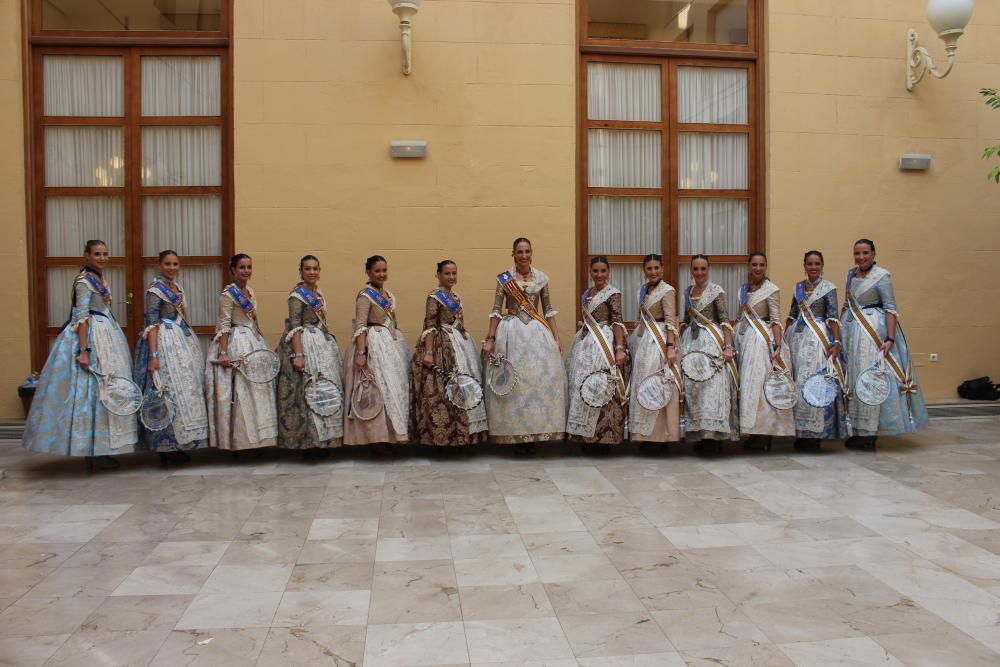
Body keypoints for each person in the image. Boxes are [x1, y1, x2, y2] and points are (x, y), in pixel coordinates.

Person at [24, 240, 137, 469]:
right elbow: (82, 316)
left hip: (107, 336)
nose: (102, 258)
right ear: (86, 256)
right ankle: (91, 451)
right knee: (89, 394)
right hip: (91, 339)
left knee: (105, 392)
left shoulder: (99, 278)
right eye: (97, 254)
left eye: (105, 254)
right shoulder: (84, 281)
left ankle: (103, 448)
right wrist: (84, 351)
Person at [482, 237, 567, 454]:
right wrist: (490, 338)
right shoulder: (504, 279)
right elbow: (495, 309)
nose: (523, 256)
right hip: (511, 333)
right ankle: (515, 437)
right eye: (519, 252)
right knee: (514, 384)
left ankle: (535, 434)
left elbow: (548, 310)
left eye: (527, 251)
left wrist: (556, 338)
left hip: (538, 334)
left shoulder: (542, 278)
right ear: (513, 254)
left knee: (536, 382)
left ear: (532, 253)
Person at [841, 239, 928, 450]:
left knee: (872, 379)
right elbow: (846, 304)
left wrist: (890, 339)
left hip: (874, 334)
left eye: (865, 253)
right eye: (857, 253)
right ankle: (859, 429)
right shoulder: (851, 275)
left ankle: (871, 433)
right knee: (853, 379)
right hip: (852, 333)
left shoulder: (882, 276)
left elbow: (890, 308)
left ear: (873, 253)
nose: (861, 257)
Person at [134, 250, 209, 465]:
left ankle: (180, 444)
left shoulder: (177, 288)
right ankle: (164, 447)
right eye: (167, 263)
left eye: (175, 264)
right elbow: (151, 325)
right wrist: (153, 356)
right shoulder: (154, 291)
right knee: (167, 392)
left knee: (186, 390)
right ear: (159, 265)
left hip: (182, 342)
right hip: (164, 344)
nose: (172, 268)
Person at [409, 260, 488, 447]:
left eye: (454, 273)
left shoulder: (456, 296)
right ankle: (444, 439)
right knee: (443, 392)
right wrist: (428, 353)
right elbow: (429, 326)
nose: (451, 277)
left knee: (465, 386)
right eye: (447, 274)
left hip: (459, 343)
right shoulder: (434, 297)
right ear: (438, 275)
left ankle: (463, 437)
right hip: (441, 346)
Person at [205, 253, 278, 454]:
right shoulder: (229, 294)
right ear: (233, 270)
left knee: (258, 390)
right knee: (241, 392)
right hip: (237, 342)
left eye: (249, 267)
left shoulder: (250, 291)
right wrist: (223, 352)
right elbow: (224, 323)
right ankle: (241, 443)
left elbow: (253, 320)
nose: (246, 271)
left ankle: (259, 441)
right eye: (242, 267)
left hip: (253, 341)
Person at [276, 255, 344, 458]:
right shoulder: (297, 296)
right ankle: (310, 443)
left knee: (326, 389)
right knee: (309, 391)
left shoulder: (318, 294)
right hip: (305, 344)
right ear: (301, 271)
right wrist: (298, 354)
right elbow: (295, 326)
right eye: (308, 269)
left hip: (321, 343)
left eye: (315, 268)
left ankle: (325, 441)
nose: (312, 272)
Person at [344, 255, 410, 448]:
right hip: (373, 345)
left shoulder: (387, 295)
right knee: (377, 389)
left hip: (390, 345)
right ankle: (376, 440)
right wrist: (362, 353)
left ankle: (392, 436)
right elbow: (361, 325)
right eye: (377, 271)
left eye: (384, 271)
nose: (381, 274)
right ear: (368, 272)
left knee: (394, 388)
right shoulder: (365, 295)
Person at [784, 250, 848, 451]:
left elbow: (833, 316)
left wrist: (836, 341)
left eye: (817, 264)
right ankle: (801, 433)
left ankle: (816, 435)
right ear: (804, 265)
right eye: (810, 264)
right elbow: (792, 315)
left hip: (818, 340)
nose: (813, 267)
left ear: (822, 266)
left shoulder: (828, 288)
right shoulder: (799, 288)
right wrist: (785, 338)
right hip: (797, 339)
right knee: (798, 382)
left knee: (814, 384)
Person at [565, 256, 629, 447]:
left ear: (608, 272)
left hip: (604, 344)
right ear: (590, 272)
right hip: (585, 344)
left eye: (603, 271)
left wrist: (619, 349)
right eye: (595, 271)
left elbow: (617, 321)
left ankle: (604, 438)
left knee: (602, 386)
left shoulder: (613, 293)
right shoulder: (586, 294)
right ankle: (585, 437)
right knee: (581, 386)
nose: (599, 275)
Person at [734, 252, 795, 449]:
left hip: (764, 343)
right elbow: (741, 316)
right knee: (750, 387)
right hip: (746, 341)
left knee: (763, 387)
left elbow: (776, 319)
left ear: (766, 267)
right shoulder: (743, 290)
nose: (758, 268)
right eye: (754, 264)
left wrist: (777, 346)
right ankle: (753, 431)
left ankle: (766, 434)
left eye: (761, 265)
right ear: (749, 266)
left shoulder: (771, 289)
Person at [680, 255, 739, 450]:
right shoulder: (688, 292)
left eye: (703, 269)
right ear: (691, 270)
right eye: (695, 269)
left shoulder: (716, 291)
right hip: (691, 343)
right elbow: (686, 320)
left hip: (711, 344)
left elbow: (724, 320)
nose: (699, 273)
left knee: (712, 389)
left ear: (708, 269)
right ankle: (699, 435)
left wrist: (728, 347)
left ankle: (713, 437)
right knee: (694, 390)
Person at [628, 253, 682, 447]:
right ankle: (645, 435)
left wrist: (670, 347)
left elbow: (670, 321)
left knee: (659, 385)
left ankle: (661, 437)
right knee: (644, 385)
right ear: (645, 270)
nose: (653, 272)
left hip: (660, 342)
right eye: (649, 268)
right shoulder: (642, 290)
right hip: (645, 342)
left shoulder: (668, 290)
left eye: (656, 268)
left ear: (662, 268)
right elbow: (641, 319)